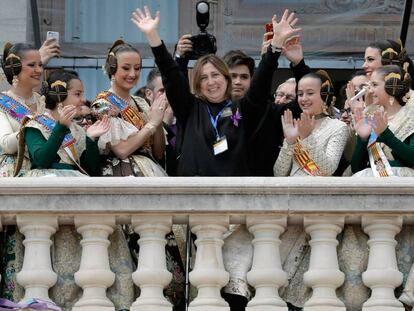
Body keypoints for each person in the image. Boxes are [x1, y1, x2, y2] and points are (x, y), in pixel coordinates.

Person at [132, 6, 300, 176]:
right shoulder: (189, 108)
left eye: (215, 75)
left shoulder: (241, 109)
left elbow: (259, 86)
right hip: (193, 196)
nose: (211, 82)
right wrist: (153, 37)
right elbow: (171, 75)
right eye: (204, 78)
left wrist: (276, 45)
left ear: (226, 79)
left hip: (233, 196)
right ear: (198, 84)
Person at [92, 39, 167, 177]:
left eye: (137, 68)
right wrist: (152, 124)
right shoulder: (102, 104)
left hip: (150, 169)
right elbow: (122, 150)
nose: (133, 74)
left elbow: (159, 153)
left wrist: (158, 120)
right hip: (121, 173)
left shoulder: (141, 103)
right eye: (126, 68)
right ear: (113, 68)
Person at [19, 70, 109, 177]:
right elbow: (41, 161)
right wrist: (61, 127)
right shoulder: (35, 124)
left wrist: (90, 138)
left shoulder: (78, 130)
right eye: (78, 94)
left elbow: (91, 171)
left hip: (73, 184)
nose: (83, 100)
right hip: (45, 184)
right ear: (59, 96)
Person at [274, 70, 348, 176]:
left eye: (310, 93)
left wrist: (307, 138)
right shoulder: (295, 125)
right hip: (292, 190)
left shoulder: (338, 127)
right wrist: (289, 142)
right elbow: (278, 173)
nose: (303, 98)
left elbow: (329, 168)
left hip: (317, 191)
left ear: (324, 95)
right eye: (300, 94)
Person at [351, 65, 414, 177]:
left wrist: (386, 134)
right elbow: (356, 168)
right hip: (370, 183)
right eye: (369, 85)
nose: (369, 91)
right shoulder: (370, 115)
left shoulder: (411, 117)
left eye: (374, 85)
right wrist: (362, 139)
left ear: (392, 87)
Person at [0, 43, 46, 178]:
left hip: (45, 167)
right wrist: (31, 125)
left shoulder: (43, 101)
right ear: (15, 68)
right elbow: (6, 145)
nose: (39, 70)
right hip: (15, 171)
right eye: (32, 65)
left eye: (40, 65)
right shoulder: (3, 103)